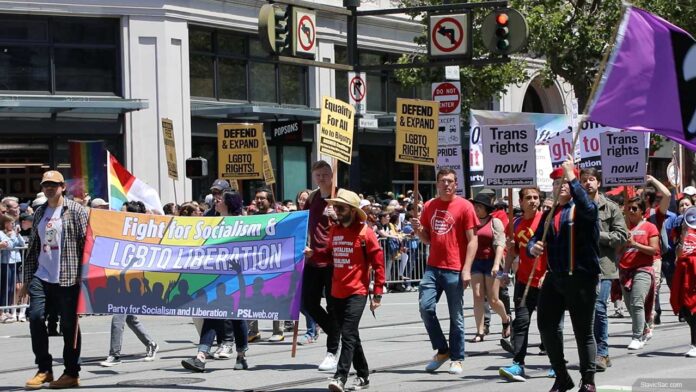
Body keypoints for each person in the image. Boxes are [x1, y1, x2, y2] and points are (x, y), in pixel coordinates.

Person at [528, 158, 600, 392]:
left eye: (566, 182)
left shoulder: (583, 208)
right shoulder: (550, 213)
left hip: (581, 276)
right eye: (557, 182)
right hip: (555, 276)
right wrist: (533, 247)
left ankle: (588, 381)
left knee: (583, 331)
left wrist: (572, 176)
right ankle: (561, 375)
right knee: (546, 325)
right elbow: (535, 237)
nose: (562, 185)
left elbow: (589, 210)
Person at [305, 189, 384, 392]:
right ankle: (364, 375)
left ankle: (340, 377)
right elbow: (330, 255)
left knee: (347, 334)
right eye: (335, 208)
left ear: (352, 210)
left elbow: (378, 264)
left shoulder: (365, 232)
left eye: (340, 208)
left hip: (357, 292)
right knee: (352, 336)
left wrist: (377, 293)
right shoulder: (334, 231)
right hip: (336, 291)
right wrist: (313, 253)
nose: (336, 211)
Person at [20, 170, 88, 389]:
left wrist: (85, 278)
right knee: (36, 318)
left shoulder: (76, 210)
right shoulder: (40, 212)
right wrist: (27, 279)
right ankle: (44, 369)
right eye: (45, 185)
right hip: (42, 276)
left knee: (69, 326)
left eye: (53, 185)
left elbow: (87, 244)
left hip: (68, 278)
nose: (49, 188)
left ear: (63, 187)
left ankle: (71, 373)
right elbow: (34, 247)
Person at [411, 168, 478, 375]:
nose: (446, 184)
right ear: (437, 183)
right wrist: (418, 230)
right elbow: (428, 239)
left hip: (454, 269)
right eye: (442, 181)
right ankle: (443, 350)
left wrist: (466, 269)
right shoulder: (430, 205)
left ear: (456, 184)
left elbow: (472, 240)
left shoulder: (465, 206)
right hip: (433, 267)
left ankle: (457, 358)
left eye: (450, 181)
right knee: (425, 308)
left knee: (456, 316)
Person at [181, 190, 249, 372]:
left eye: (221, 200)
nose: (217, 202)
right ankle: (201, 356)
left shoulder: (243, 223)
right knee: (211, 313)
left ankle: (241, 355)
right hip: (216, 277)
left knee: (237, 317)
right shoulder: (213, 223)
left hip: (235, 277)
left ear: (229, 204)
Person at [579, 168, 628, 371]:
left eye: (591, 179)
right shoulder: (576, 207)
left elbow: (622, 236)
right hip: (580, 267)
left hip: (603, 267)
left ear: (598, 183)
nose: (588, 183)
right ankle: (588, 354)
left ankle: (602, 353)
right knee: (583, 312)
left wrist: (598, 235)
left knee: (599, 307)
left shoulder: (610, 208)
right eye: (584, 180)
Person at [499, 186, 549, 382]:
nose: (533, 201)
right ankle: (518, 364)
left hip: (545, 281)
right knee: (521, 323)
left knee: (549, 326)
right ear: (520, 201)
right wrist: (505, 272)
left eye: (536, 197)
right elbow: (513, 251)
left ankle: (556, 364)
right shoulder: (515, 223)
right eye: (528, 197)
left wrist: (548, 273)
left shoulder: (546, 221)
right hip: (523, 281)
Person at [100, 201, 159, 367]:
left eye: (122, 211)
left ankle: (114, 354)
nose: (119, 213)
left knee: (118, 318)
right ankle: (151, 344)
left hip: (133, 284)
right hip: (121, 282)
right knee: (131, 319)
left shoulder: (141, 235)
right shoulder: (120, 231)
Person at [303, 161, 341, 371]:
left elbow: (356, 223)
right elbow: (302, 224)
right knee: (308, 303)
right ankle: (337, 333)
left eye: (325, 174)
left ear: (332, 175)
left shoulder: (341, 196)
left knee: (333, 307)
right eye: (318, 175)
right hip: (313, 258)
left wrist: (338, 216)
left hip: (335, 260)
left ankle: (332, 351)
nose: (322, 178)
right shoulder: (312, 198)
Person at [246, 187, 287, 342]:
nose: (259, 200)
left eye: (262, 198)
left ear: (270, 200)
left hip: (274, 263)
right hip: (255, 264)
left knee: (275, 296)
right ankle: (253, 330)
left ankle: (278, 331)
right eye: (257, 198)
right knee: (251, 297)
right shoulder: (251, 217)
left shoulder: (278, 217)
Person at [469, 191, 510, 343]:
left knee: (493, 299)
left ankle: (506, 319)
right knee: (478, 296)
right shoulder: (471, 222)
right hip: (475, 262)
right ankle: (480, 331)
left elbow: (500, 244)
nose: (476, 209)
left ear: (487, 208)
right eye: (475, 206)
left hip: (491, 261)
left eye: (479, 207)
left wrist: (496, 264)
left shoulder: (495, 222)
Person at [619, 197, 660, 350]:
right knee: (630, 305)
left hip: (643, 269)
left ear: (642, 210)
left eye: (634, 208)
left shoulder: (649, 227)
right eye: (628, 208)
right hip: (625, 270)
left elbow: (654, 250)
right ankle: (645, 328)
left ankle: (637, 336)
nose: (630, 211)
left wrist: (635, 244)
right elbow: (617, 251)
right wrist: (622, 243)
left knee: (637, 302)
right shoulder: (622, 227)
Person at [671, 206, 696, 357]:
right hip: (684, 272)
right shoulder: (683, 230)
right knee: (685, 309)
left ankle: (694, 344)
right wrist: (684, 235)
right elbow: (678, 254)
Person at [0, 214, 25, 323]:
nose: (13, 225)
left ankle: (7, 310)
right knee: (5, 288)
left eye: (14, 223)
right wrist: (13, 237)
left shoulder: (14, 234)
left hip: (15, 262)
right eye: (11, 223)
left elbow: (22, 243)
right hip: (5, 262)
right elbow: (9, 245)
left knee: (11, 288)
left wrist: (17, 234)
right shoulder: (1, 233)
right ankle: (2, 311)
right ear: (5, 223)